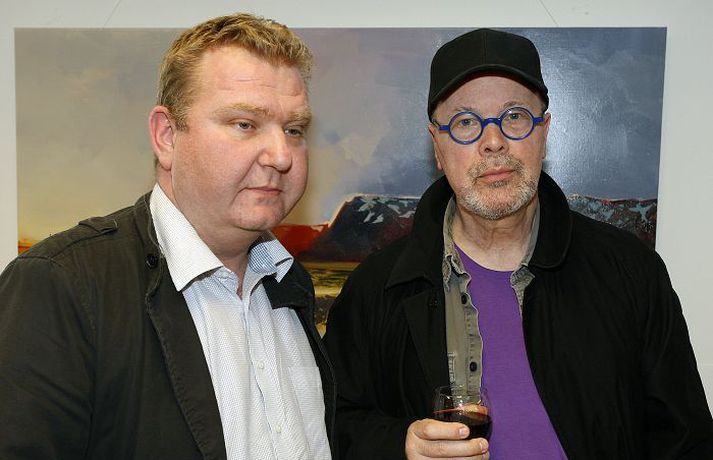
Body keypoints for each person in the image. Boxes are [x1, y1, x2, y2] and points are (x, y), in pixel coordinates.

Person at [323, 28, 713, 459]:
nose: (493, 142)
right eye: (465, 122)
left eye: (514, 117)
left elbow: (685, 440)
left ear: (544, 133)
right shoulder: (374, 291)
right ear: (437, 146)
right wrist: (400, 445)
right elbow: (335, 425)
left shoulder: (630, 271)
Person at [0, 13, 335, 460]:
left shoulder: (289, 284)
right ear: (166, 136)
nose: (281, 155)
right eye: (245, 124)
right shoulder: (62, 285)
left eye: (294, 130)